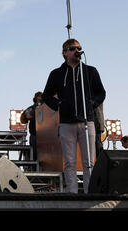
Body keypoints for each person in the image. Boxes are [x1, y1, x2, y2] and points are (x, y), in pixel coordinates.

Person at [42, 38, 106, 193]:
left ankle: (90, 192)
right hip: (66, 123)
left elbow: (101, 92)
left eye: (78, 48)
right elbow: (46, 95)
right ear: (64, 53)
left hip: (87, 122)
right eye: (72, 48)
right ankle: (72, 193)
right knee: (69, 162)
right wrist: (58, 105)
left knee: (89, 162)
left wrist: (91, 103)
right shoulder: (57, 73)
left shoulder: (90, 71)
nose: (76, 50)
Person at [20, 91, 43, 161]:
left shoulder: (47, 107)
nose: (40, 98)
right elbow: (25, 118)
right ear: (36, 98)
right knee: (34, 155)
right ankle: (34, 168)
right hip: (35, 135)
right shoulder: (32, 108)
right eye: (39, 96)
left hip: (45, 135)